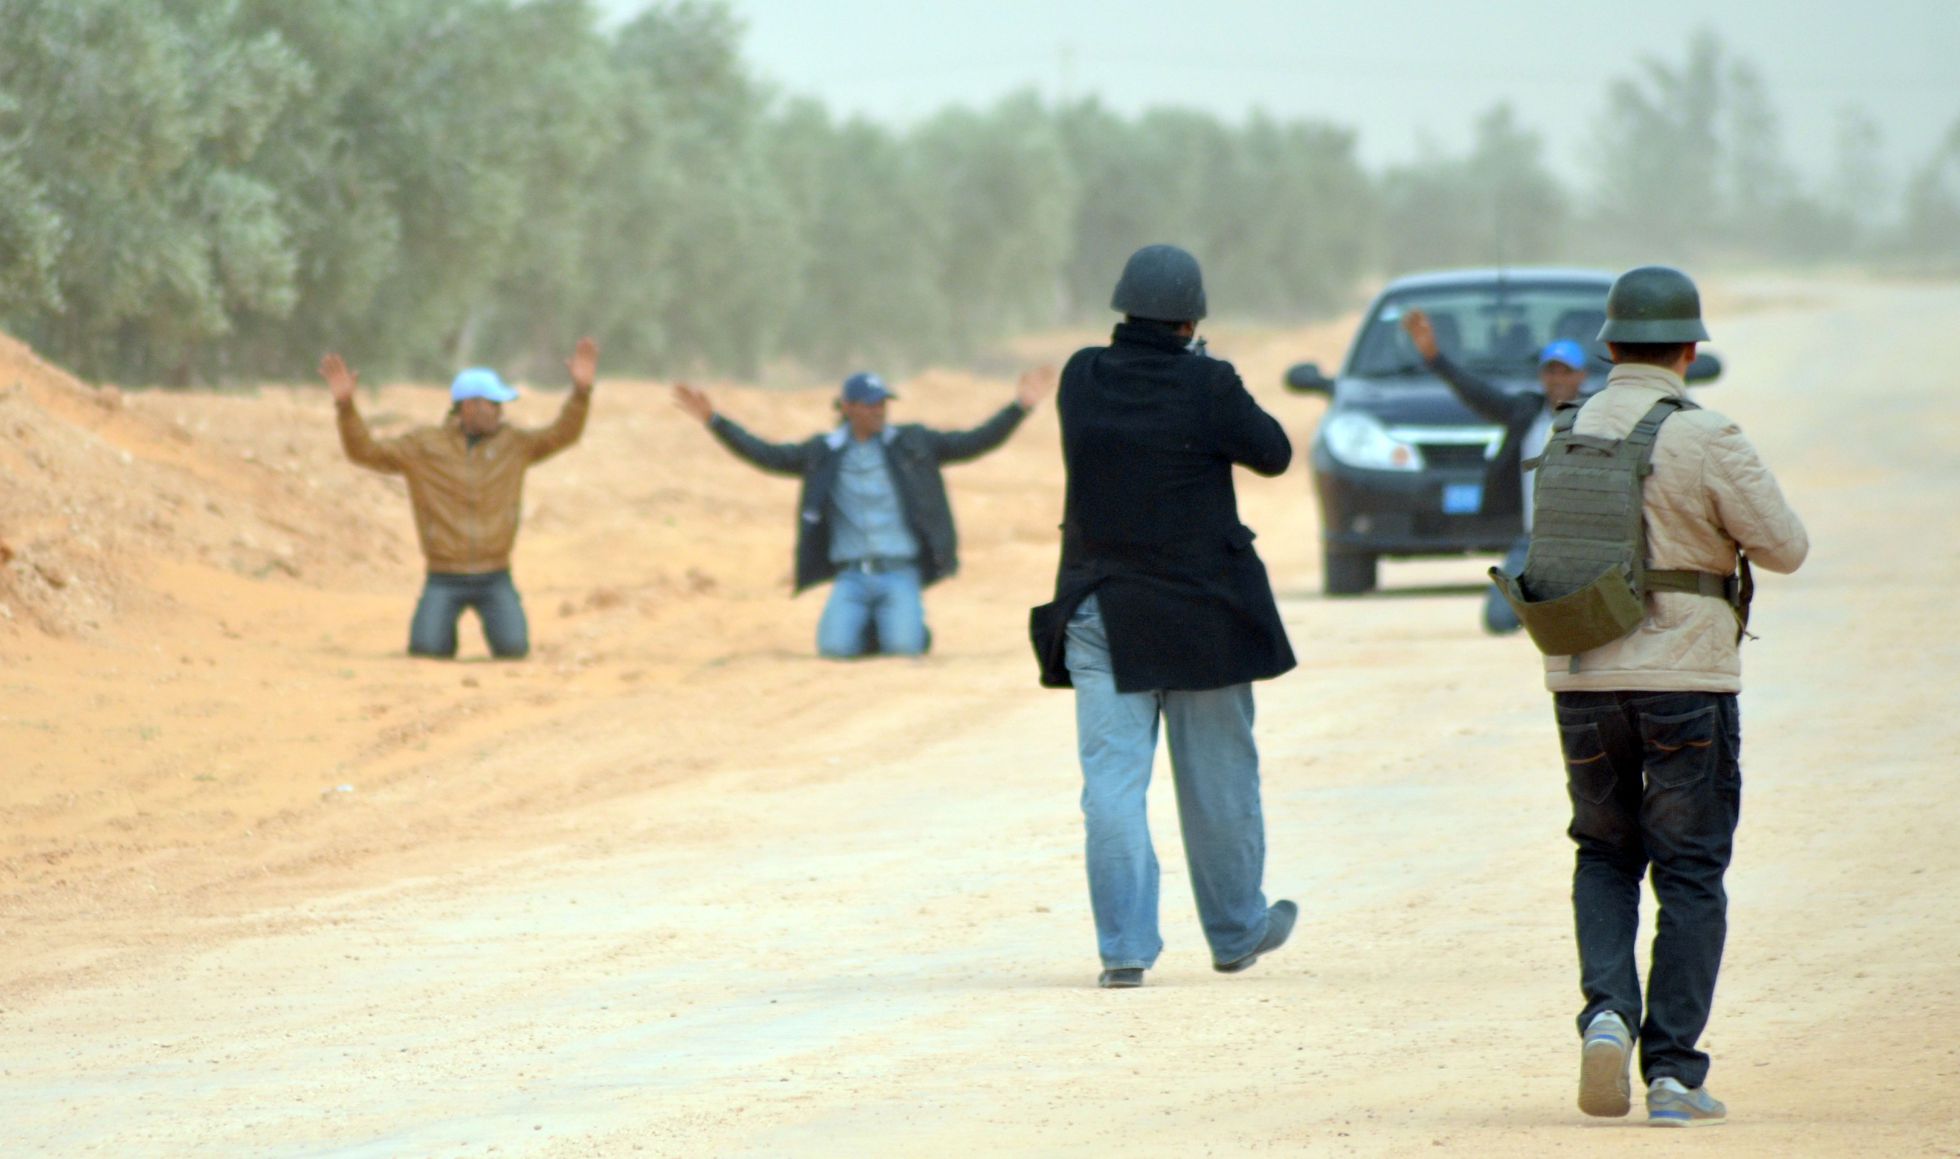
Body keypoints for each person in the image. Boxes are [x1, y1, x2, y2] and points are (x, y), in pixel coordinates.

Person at [1498, 267, 1807, 1126]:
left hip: (1584, 676)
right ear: (1690, 349)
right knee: (1690, 870)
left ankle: (1605, 1013)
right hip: (1686, 683)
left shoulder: (1565, 430)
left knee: (1602, 853)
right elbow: (1785, 547)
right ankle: (1671, 1072)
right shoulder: (1707, 434)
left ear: (1606, 347)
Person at [1029, 244, 1298, 990]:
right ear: (1191, 318)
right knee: (1218, 786)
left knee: (1112, 787)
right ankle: (1237, 931)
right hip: (1201, 615)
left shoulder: (1081, 376)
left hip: (1102, 609)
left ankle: (1124, 948)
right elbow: (1273, 453)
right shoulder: (1208, 383)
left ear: (1122, 306)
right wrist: (1212, 375)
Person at [673, 368, 1054, 658]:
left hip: (900, 572)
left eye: (882, 403)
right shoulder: (824, 453)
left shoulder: (913, 444)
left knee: (905, 650)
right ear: (848, 408)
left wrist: (1019, 407)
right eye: (870, 404)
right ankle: (875, 624)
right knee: (834, 651)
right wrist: (714, 422)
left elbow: (974, 441)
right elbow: (767, 455)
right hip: (852, 576)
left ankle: (905, 626)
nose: (878, 410)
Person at [320, 340, 598, 659]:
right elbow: (365, 452)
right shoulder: (423, 446)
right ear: (469, 406)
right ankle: (438, 633)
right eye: (494, 403)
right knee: (426, 651)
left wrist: (581, 393)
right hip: (443, 577)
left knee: (513, 649)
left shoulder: (514, 444)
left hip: (495, 576)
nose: (500, 411)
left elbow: (562, 434)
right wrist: (345, 408)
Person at [1400, 308, 1590, 633]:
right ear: (1542, 376)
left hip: (1584, 543)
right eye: (1551, 372)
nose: (1558, 379)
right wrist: (1435, 359)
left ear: (1581, 376)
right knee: (1499, 620)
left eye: (1566, 372)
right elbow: (1476, 393)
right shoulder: (1525, 413)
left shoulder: (1596, 418)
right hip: (1532, 543)